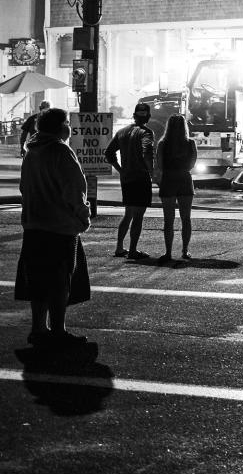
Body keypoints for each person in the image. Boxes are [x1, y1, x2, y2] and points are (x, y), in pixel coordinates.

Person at [15, 106, 93, 350]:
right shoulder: (61, 151)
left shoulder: (32, 152)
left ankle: (39, 328)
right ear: (60, 127)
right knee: (60, 281)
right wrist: (83, 217)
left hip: (34, 225)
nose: (69, 127)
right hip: (60, 227)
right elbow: (74, 190)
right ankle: (58, 330)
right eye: (67, 122)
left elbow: (23, 188)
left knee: (37, 279)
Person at [104, 100, 156, 259]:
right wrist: (152, 172)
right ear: (148, 117)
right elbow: (146, 153)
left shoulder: (122, 132)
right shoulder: (147, 133)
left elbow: (108, 153)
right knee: (138, 216)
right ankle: (133, 251)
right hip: (141, 177)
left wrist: (121, 170)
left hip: (126, 178)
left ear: (134, 116)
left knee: (128, 214)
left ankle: (119, 248)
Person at [155, 113, 198, 262]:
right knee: (186, 218)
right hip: (185, 179)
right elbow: (192, 164)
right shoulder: (190, 143)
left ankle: (168, 252)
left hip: (168, 180)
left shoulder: (162, 144)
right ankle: (185, 251)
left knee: (168, 220)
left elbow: (159, 165)